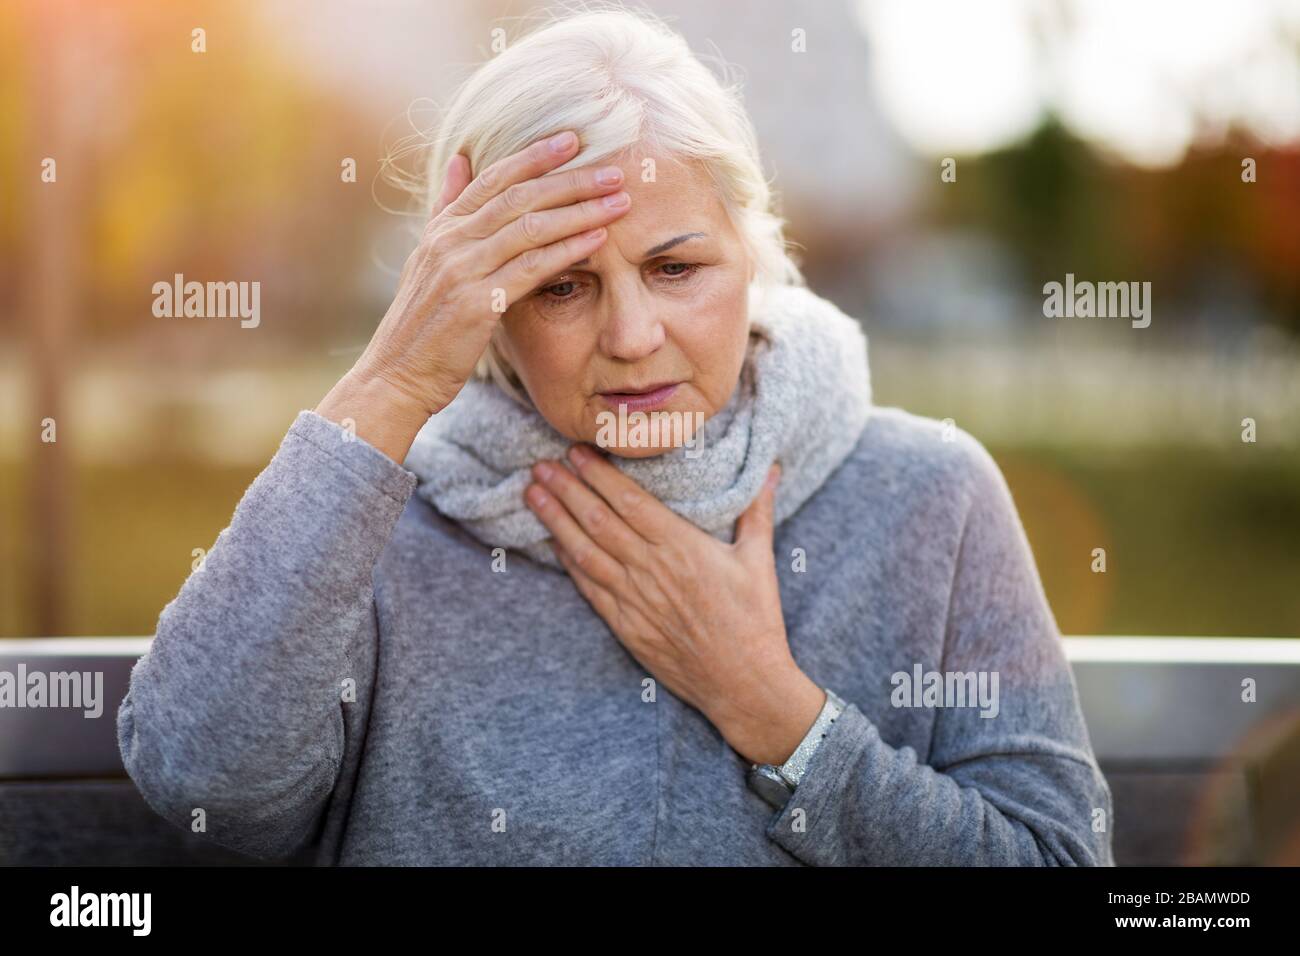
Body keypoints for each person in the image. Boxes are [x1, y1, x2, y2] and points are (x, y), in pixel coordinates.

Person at [116, 6, 1114, 866]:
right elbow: (202, 779)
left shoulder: (927, 493)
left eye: (677, 267)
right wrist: (392, 383)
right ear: (485, 301)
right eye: (562, 283)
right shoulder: (373, 515)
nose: (634, 338)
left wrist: (775, 712)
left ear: (750, 249)